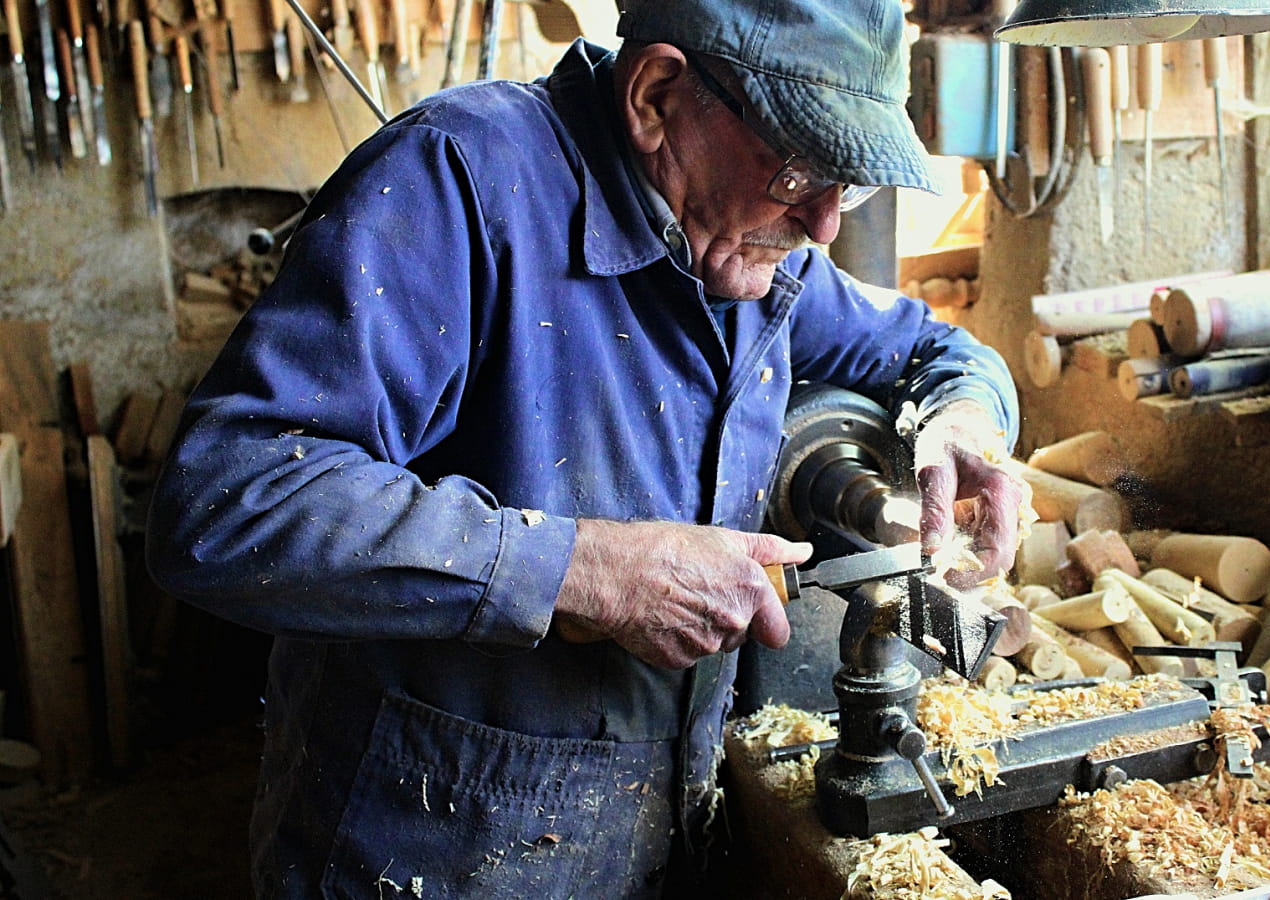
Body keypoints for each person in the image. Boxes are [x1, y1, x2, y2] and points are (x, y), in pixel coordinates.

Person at [145, 0, 1023, 896]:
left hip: (652, 838)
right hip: (428, 851)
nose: (829, 225)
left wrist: (960, 420)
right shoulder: (457, 182)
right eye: (801, 171)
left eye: (853, 184)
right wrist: (582, 569)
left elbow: (940, 349)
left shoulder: (759, 249)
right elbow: (226, 495)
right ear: (656, 94)